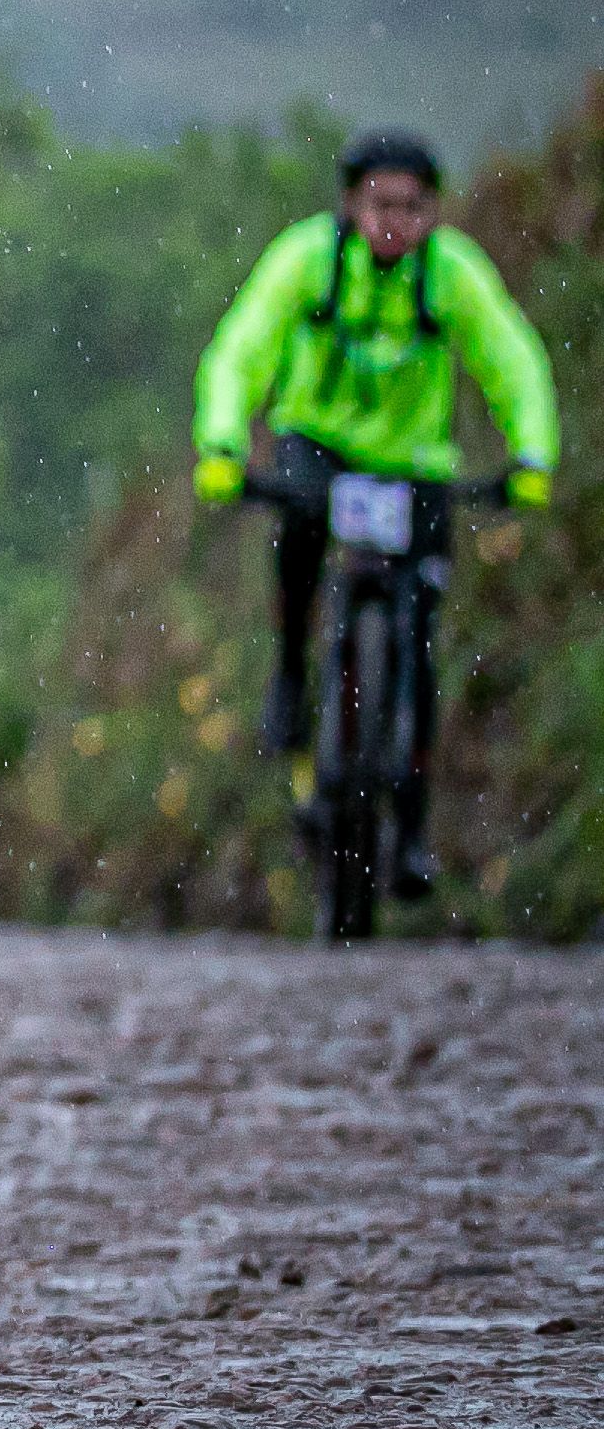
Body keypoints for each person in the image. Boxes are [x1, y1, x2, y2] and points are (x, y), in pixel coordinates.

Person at [194, 127, 558, 899]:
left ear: (433, 213)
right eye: (380, 204)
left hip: (414, 466)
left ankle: (412, 825)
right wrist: (222, 442)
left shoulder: (451, 275)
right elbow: (241, 348)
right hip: (318, 446)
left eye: (411, 207)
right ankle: (291, 672)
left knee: (419, 630)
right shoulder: (307, 261)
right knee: (297, 537)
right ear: (351, 205)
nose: (395, 222)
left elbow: (512, 359)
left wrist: (533, 455)